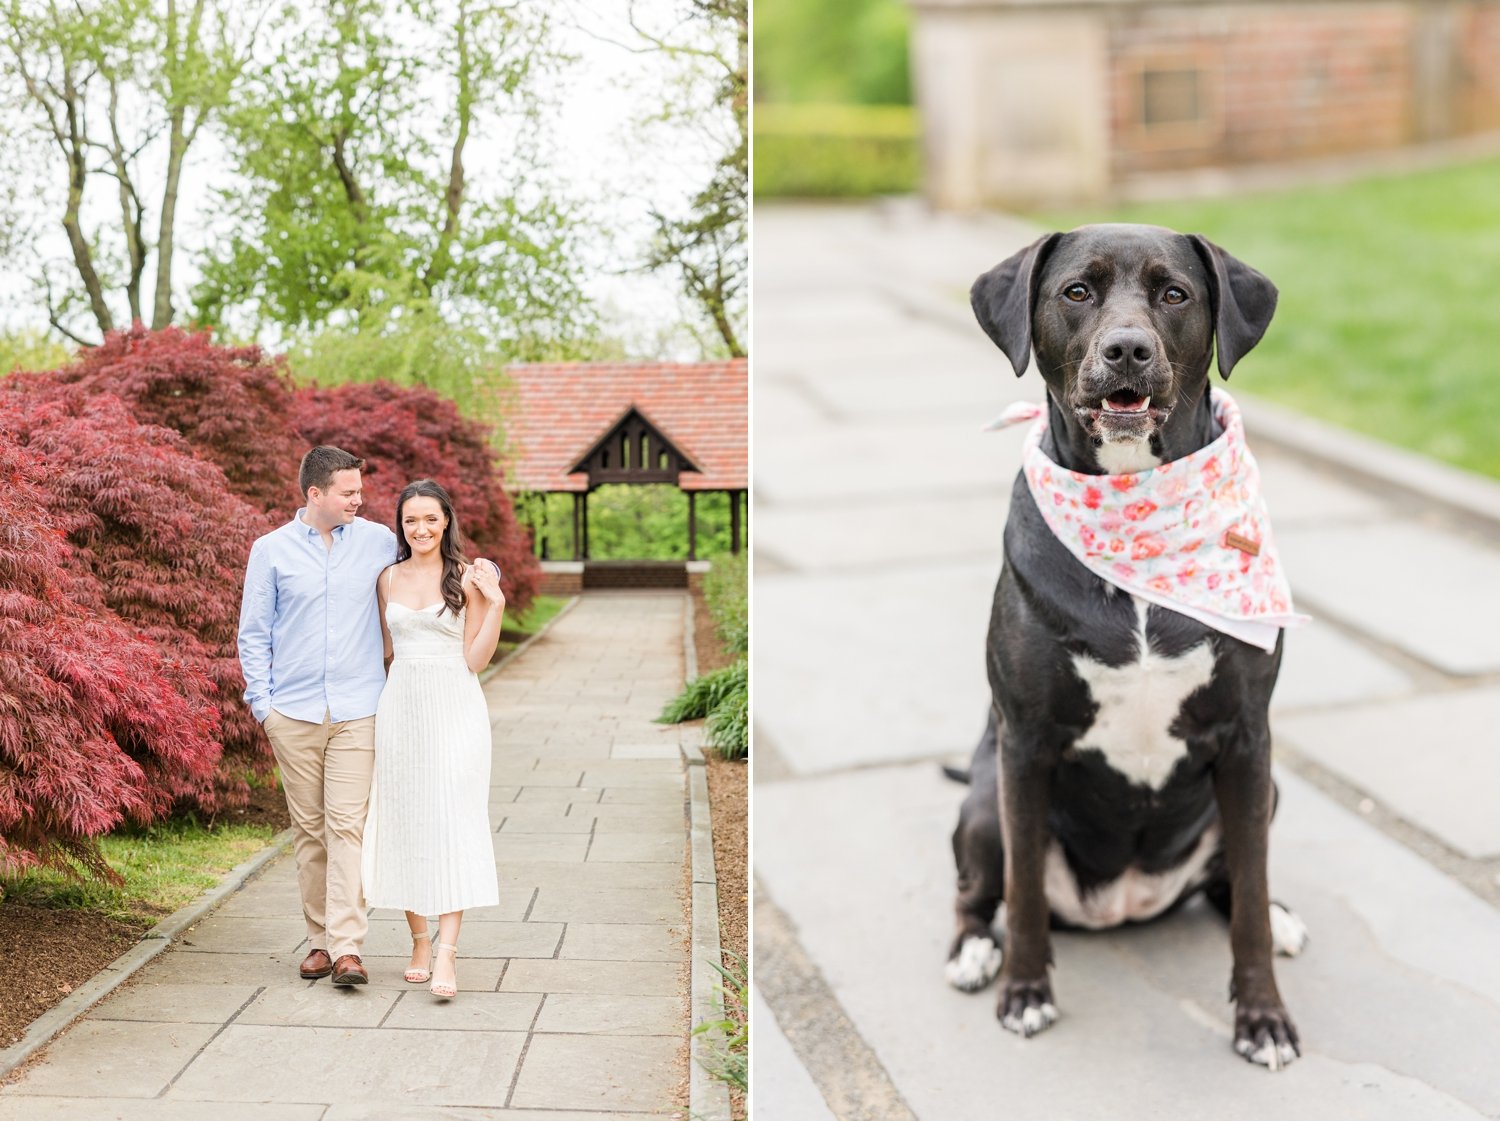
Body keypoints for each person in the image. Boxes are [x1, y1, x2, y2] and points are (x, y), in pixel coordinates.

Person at [237, 446, 397, 986]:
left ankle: (349, 947)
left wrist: (481, 570)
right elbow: (254, 632)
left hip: (359, 709)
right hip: (294, 711)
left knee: (347, 827)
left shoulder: (378, 540)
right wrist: (264, 706)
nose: (360, 498)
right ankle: (318, 942)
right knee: (310, 832)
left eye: (359, 489)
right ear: (315, 493)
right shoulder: (271, 550)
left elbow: (431, 557)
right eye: (348, 491)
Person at [362, 479, 505, 999]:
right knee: (405, 819)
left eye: (430, 519)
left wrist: (497, 606)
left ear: (447, 521)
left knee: (453, 818)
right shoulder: (386, 579)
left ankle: (448, 951)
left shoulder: (467, 578)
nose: (420, 529)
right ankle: (418, 940)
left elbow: (475, 660)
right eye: (410, 520)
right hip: (401, 707)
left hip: (456, 706)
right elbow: (383, 653)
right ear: (401, 526)